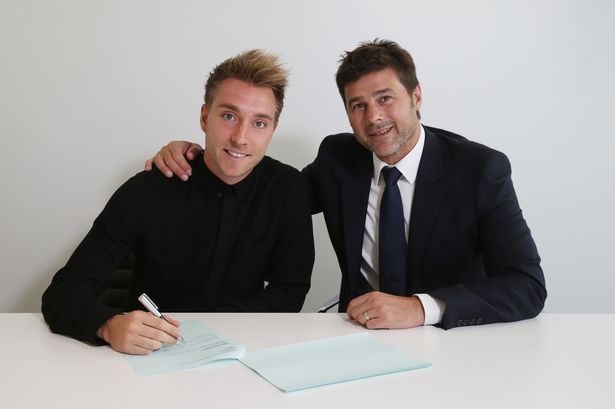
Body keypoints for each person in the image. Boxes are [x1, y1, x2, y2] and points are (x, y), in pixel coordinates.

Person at [146, 39, 547, 330]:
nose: (373, 117)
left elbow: (526, 286)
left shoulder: (480, 169)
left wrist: (422, 308)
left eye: (386, 98)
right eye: (358, 105)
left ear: (416, 96)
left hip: (452, 341)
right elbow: (266, 197)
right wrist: (199, 155)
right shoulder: (339, 159)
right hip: (358, 335)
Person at [42, 50, 315, 354]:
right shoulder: (147, 189)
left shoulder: (288, 189)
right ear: (203, 117)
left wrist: (218, 330)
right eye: (228, 116)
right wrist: (107, 324)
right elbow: (64, 292)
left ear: (272, 130)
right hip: (151, 352)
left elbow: (290, 290)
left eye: (259, 123)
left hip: (243, 351)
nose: (241, 138)